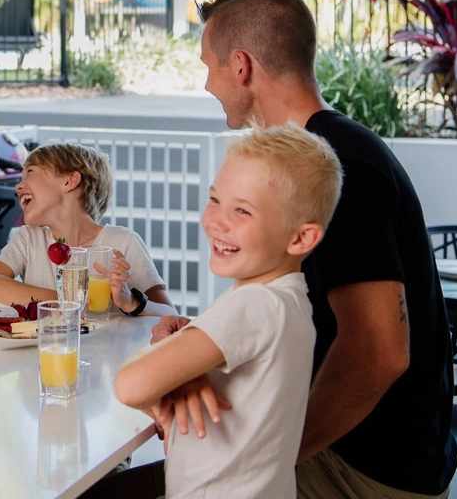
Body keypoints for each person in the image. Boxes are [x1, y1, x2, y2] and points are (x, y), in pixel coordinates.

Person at [155, 0, 457, 498]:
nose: (207, 84)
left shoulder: (339, 169)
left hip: (366, 471)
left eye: (210, 66)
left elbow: (381, 351)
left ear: (242, 66)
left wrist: (272, 451)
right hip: (365, 453)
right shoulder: (316, 157)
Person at [86, 124, 342, 499]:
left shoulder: (255, 304)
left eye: (242, 210)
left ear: (301, 238)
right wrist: (184, 361)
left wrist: (170, 371)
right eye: (215, 199)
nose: (217, 221)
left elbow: (130, 384)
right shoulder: (289, 300)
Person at [0, 143, 176, 318]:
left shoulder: (123, 242)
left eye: (30, 173)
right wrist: (68, 302)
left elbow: (170, 314)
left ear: (70, 181)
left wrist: (130, 301)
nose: (18, 187)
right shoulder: (29, 238)